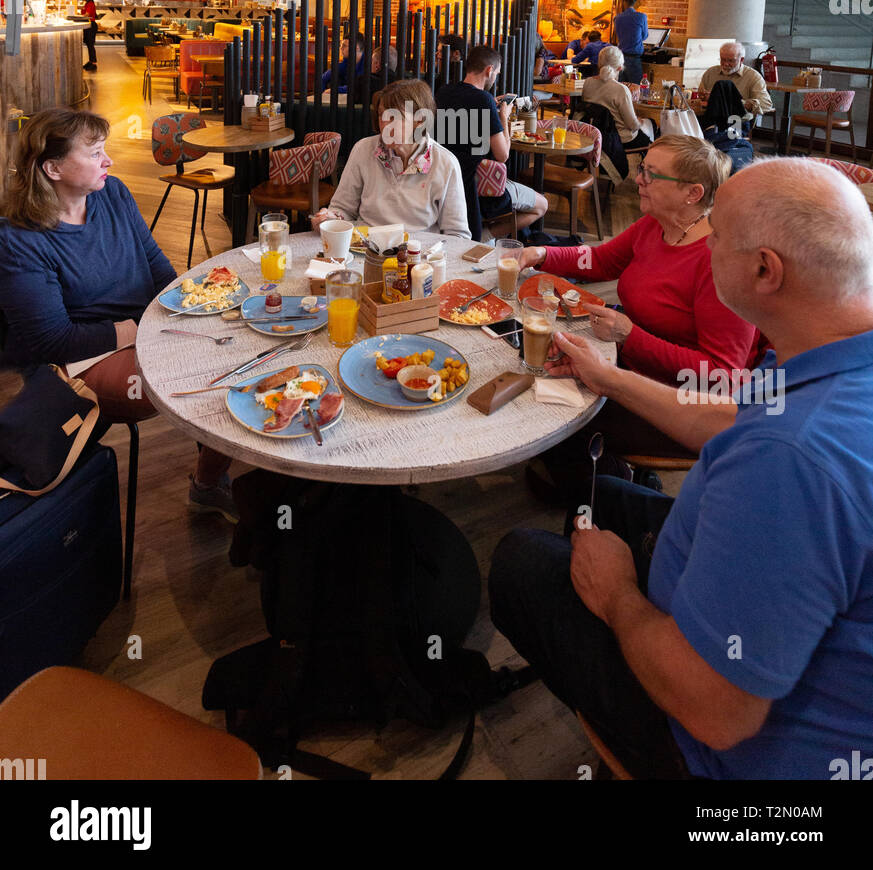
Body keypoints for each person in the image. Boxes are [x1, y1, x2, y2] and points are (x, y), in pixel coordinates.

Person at [490, 158, 873, 780]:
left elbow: (719, 713)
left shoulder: (791, 461)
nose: (704, 241)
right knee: (606, 497)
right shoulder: (830, 354)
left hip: (725, 753)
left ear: (763, 270)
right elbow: (727, 414)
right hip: (770, 603)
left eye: (716, 233)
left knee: (521, 561)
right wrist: (609, 376)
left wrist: (616, 597)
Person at [0, 109, 236, 521]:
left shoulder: (112, 192)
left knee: (242, 349)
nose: (108, 161)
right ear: (53, 168)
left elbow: (156, 265)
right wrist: (130, 331)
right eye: (94, 153)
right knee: (213, 383)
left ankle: (211, 480)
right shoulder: (19, 239)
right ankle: (207, 484)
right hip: (81, 363)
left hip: (146, 328)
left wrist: (190, 305)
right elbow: (49, 340)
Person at [519, 135, 760, 499]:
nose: (637, 180)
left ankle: (614, 483)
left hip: (679, 403)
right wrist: (541, 253)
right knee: (543, 371)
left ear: (692, 193)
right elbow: (601, 260)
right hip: (628, 366)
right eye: (642, 169)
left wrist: (631, 337)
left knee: (557, 408)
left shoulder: (719, 261)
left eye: (651, 174)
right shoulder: (657, 225)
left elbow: (721, 376)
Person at [311, 79, 470, 237]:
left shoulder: (445, 163)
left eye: (394, 117)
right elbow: (343, 208)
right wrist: (331, 218)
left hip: (417, 255)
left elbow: (457, 235)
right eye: (381, 115)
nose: (385, 124)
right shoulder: (363, 149)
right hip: (364, 249)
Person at [435, 44, 547, 242]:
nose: (496, 77)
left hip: (446, 182)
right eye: (497, 72)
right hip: (481, 188)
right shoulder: (483, 100)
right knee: (542, 206)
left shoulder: (444, 92)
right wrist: (503, 117)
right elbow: (502, 155)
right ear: (489, 70)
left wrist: (489, 106)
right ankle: (488, 235)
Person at [580, 46, 651, 152]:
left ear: (599, 64)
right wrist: (641, 122)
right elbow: (632, 125)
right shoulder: (621, 90)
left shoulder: (587, 82)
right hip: (619, 139)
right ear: (619, 68)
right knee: (650, 126)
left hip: (594, 134)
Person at [698, 42, 774, 124]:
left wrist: (738, 102)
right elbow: (700, 96)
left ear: (741, 60)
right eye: (723, 59)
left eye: (731, 61)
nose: (726, 64)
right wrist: (705, 97)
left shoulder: (753, 76)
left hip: (737, 122)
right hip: (710, 119)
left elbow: (766, 105)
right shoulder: (711, 73)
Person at [611, 0, 648, 85]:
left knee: (621, 87)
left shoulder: (617, 18)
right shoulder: (641, 17)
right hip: (634, 59)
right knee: (636, 88)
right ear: (634, 2)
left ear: (624, 2)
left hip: (621, 58)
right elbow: (645, 36)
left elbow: (617, 35)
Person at [80, 0, 98, 71]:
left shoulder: (90, 3)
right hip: (88, 26)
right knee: (88, 44)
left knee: (90, 45)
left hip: (91, 26)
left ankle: (94, 63)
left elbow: (87, 14)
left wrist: (78, 16)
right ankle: (90, 61)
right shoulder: (86, 4)